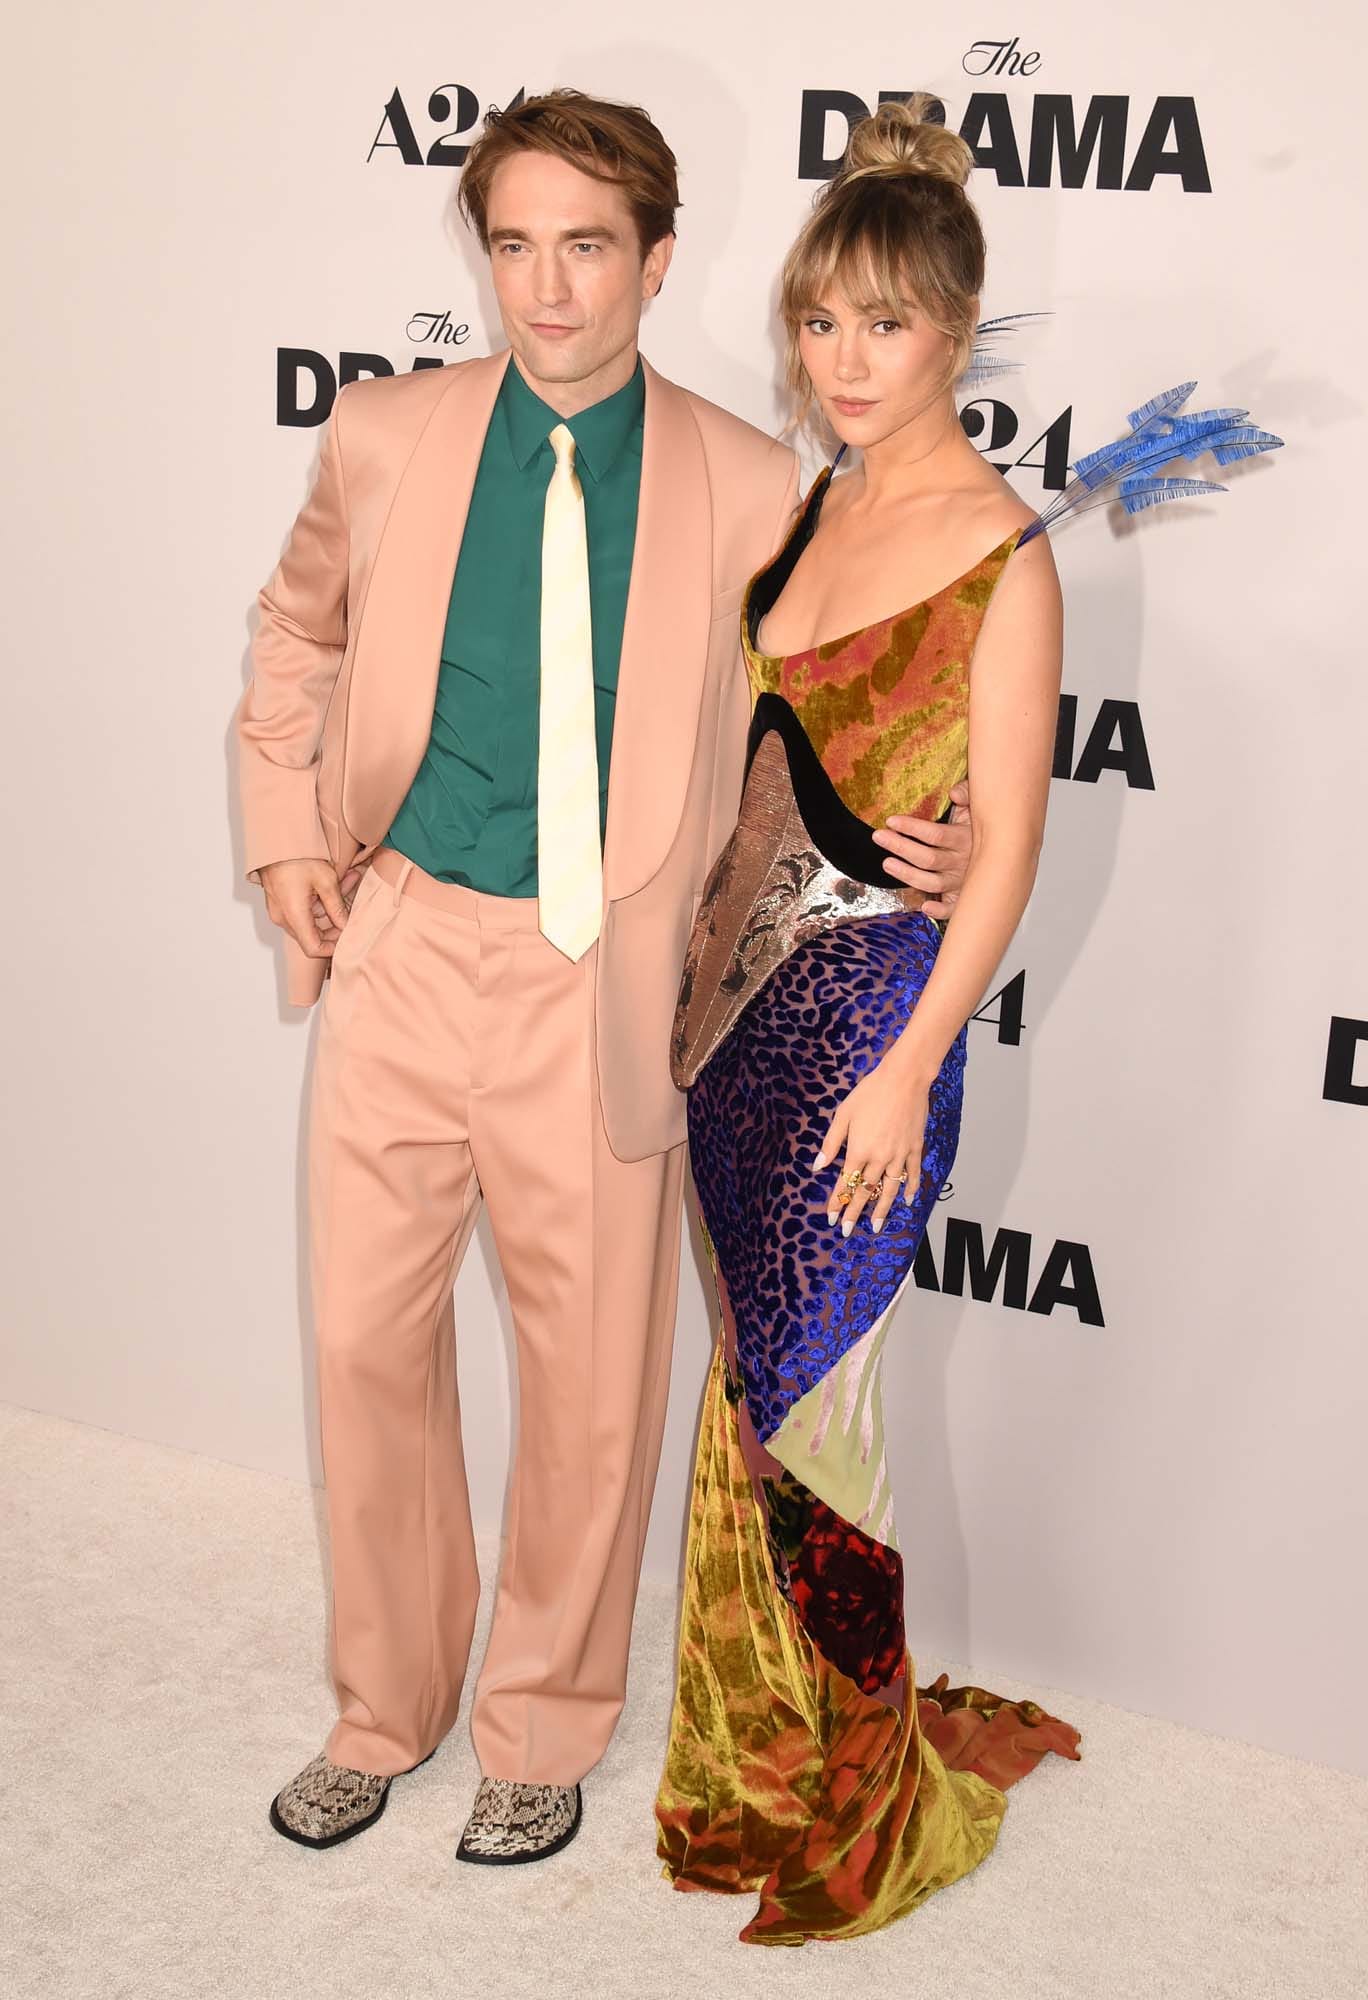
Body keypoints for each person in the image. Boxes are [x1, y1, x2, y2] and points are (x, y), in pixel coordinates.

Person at [236, 90, 972, 1864]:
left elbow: (821, 719)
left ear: (656, 260)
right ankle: (382, 1707)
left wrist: (927, 833)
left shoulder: (753, 484)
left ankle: (544, 1725)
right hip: (407, 941)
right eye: (513, 246)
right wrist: (284, 836)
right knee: (361, 1346)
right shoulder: (386, 433)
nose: (546, 289)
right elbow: (296, 632)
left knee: (587, 1383)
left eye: (585, 247)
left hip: (608, 976)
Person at [654, 98, 1082, 1944]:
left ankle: (867, 1785)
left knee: (824, 1409)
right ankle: (763, 1744)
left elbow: (1008, 858)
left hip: (868, 1032)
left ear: (956, 333)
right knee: (758, 1393)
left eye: (883, 325)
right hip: (731, 1018)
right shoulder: (809, 498)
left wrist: (910, 1070)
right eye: (820, 321)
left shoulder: (1007, 555)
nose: (843, 358)